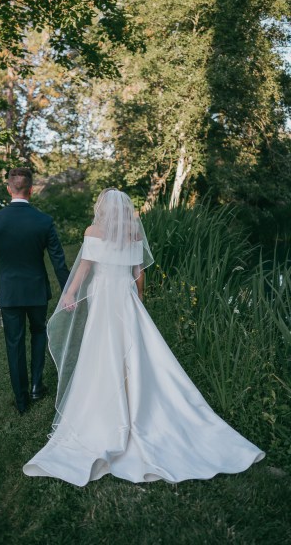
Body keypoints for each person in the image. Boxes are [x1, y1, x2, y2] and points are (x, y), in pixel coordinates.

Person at [23, 188, 264, 486]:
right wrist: (138, 297)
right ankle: (140, 402)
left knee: (102, 351)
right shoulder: (134, 231)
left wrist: (70, 294)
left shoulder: (93, 230)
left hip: (102, 296)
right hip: (125, 297)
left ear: (102, 208)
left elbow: (85, 268)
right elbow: (139, 272)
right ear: (125, 208)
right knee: (135, 349)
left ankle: (103, 411)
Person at [0, 168, 70, 415]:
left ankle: (21, 400)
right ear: (31, 190)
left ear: (9, 189)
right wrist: (68, 292)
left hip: (9, 294)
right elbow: (59, 263)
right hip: (36, 292)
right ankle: (35, 386)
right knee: (39, 332)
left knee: (14, 343)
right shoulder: (44, 221)